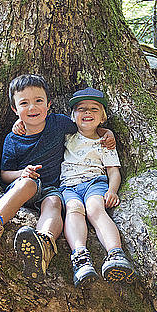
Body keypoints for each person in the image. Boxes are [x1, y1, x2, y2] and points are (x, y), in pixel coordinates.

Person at [0, 75, 115, 284]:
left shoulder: (59, 124)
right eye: (24, 103)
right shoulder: (13, 139)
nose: (32, 107)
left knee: (53, 203)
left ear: (49, 104)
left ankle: (44, 244)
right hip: (24, 187)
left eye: (38, 101)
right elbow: (5, 174)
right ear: (15, 110)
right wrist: (22, 173)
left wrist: (106, 132)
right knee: (28, 183)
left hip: (53, 189)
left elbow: (85, 127)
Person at [59, 88, 135, 287]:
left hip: (95, 183)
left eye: (94, 109)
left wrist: (112, 190)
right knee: (74, 210)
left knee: (95, 209)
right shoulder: (66, 137)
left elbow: (113, 171)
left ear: (103, 117)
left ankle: (115, 253)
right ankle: (80, 256)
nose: (87, 113)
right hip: (69, 187)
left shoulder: (105, 142)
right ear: (72, 116)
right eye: (81, 109)